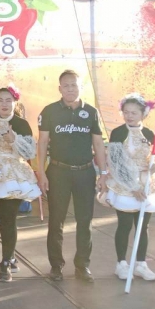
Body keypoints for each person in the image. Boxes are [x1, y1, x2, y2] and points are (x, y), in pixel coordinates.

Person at [37, 70, 107, 283]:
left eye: (74, 85)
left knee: (85, 221)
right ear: (60, 89)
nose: (70, 89)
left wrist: (103, 173)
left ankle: (82, 265)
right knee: (56, 220)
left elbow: (98, 144)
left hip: (85, 173)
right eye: (66, 85)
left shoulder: (91, 112)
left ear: (80, 87)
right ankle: (56, 265)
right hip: (58, 172)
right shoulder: (49, 111)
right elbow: (42, 143)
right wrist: (41, 172)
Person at [100, 93, 155, 282]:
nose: (129, 116)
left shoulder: (149, 133)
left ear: (143, 114)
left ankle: (141, 264)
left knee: (143, 225)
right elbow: (115, 162)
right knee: (124, 225)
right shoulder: (118, 133)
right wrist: (132, 187)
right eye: (126, 112)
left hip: (146, 182)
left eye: (134, 113)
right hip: (125, 183)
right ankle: (121, 264)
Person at [0, 86, 41, 283]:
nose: (4, 104)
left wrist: (14, 140)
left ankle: (6, 263)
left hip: (12, 175)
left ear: (15, 103)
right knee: (1, 217)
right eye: (0, 100)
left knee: (8, 219)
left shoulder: (21, 124)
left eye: (8, 100)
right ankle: (11, 258)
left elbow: (30, 152)